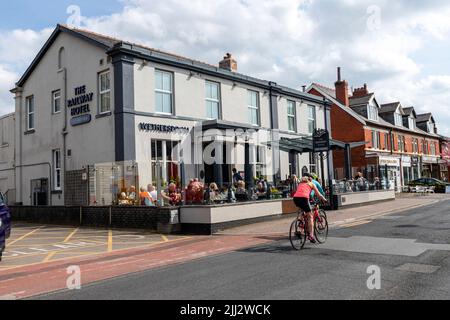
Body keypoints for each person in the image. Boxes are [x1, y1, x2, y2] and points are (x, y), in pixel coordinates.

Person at [293, 176, 327, 244]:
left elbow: (298, 192)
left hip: (295, 198)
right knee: (310, 216)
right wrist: (324, 199)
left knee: (302, 211)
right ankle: (311, 236)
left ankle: (300, 225)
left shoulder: (300, 184)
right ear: (310, 180)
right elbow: (319, 194)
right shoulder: (311, 184)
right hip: (304, 198)